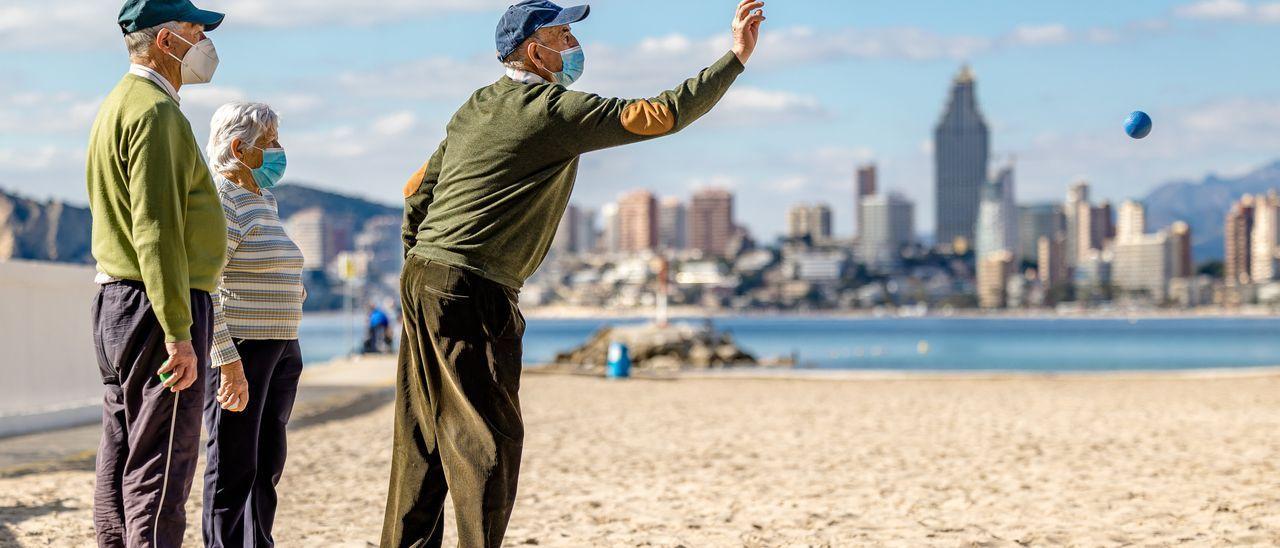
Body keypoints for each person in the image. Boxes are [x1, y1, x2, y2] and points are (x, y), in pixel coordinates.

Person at [383, 1, 765, 546]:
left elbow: (415, 189)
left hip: (426, 277)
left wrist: (416, 263)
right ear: (533, 51)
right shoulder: (548, 109)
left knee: (421, 438)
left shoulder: (477, 105)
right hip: (472, 283)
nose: (573, 46)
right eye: (563, 35)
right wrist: (736, 57)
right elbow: (657, 115)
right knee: (486, 441)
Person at [86, 0, 228, 545]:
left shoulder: (115, 105)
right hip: (156, 303)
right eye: (196, 31)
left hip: (118, 300)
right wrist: (178, 332)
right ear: (167, 41)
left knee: (122, 446)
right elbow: (157, 228)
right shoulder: (155, 112)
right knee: (163, 461)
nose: (205, 44)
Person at [202, 102, 306, 547]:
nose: (280, 150)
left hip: (282, 347)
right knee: (234, 465)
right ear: (239, 148)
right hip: (244, 348)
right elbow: (205, 287)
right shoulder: (222, 201)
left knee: (267, 464)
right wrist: (227, 361)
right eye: (270, 142)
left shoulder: (263, 200)